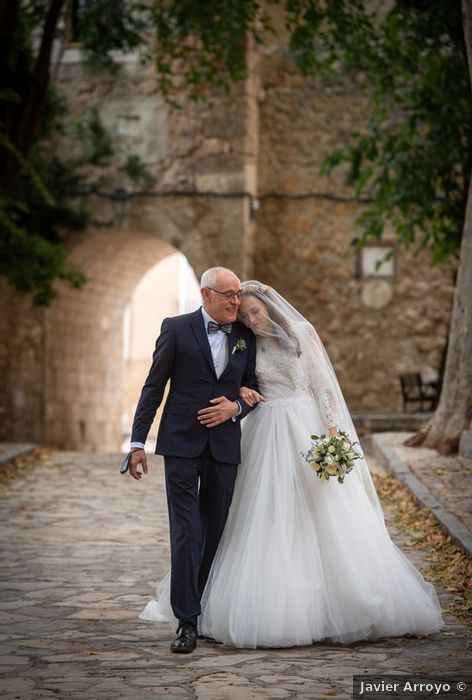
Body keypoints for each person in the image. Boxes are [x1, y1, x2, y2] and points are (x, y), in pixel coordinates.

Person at [139, 281, 444, 648]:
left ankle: (345, 602)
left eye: (255, 311)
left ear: (269, 306)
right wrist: (239, 394)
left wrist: (332, 433)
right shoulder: (243, 338)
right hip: (265, 431)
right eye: (244, 313)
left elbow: (323, 387)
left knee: (322, 512)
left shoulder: (301, 333)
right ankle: (226, 603)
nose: (250, 319)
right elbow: (232, 378)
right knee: (261, 512)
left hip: (305, 428)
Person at [127, 267, 258, 653]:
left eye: (238, 294)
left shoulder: (245, 336)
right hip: (181, 444)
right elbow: (154, 386)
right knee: (187, 532)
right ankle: (186, 621)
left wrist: (234, 407)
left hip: (225, 448)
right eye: (228, 294)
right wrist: (137, 442)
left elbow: (254, 387)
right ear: (206, 294)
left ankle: (202, 604)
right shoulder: (176, 328)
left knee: (214, 531)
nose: (236, 301)